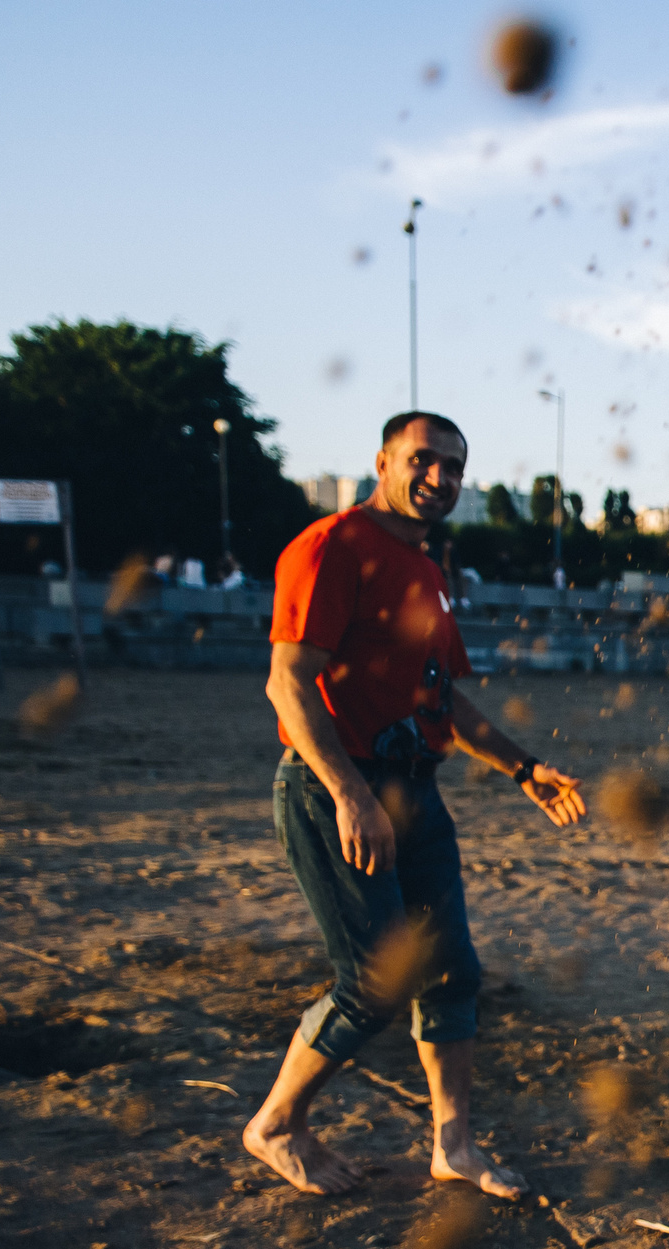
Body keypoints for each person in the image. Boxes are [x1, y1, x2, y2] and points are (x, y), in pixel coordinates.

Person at [242, 412, 587, 1199]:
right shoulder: (331, 546)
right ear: (384, 461)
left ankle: (454, 1146)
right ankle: (276, 1124)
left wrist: (522, 766)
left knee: (451, 972)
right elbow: (287, 683)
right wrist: (350, 794)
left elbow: (445, 700)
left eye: (454, 468)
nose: (440, 478)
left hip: (414, 791)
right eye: (423, 461)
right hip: (339, 787)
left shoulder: (427, 570)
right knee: (374, 979)